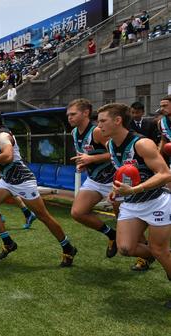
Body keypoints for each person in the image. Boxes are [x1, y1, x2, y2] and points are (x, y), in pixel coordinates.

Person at [0, 110, 78, 266]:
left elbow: (8, 156)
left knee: (43, 216)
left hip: (22, 180)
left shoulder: (1, 136)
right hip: (8, 179)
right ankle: (8, 243)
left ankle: (68, 247)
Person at [98, 103, 171, 308]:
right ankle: (164, 256)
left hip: (156, 201)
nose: (99, 125)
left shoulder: (142, 144)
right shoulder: (110, 144)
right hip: (131, 203)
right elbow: (125, 172)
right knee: (125, 248)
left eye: (103, 120)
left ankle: (164, 257)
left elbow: (165, 174)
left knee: (158, 249)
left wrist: (134, 191)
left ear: (118, 120)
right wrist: (116, 189)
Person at [66, 99, 118, 258]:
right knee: (77, 212)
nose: (70, 117)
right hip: (95, 180)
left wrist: (92, 160)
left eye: (73, 114)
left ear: (86, 113)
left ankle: (144, 253)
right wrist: (84, 163)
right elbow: (87, 154)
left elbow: (117, 153)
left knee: (125, 221)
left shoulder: (96, 131)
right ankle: (111, 235)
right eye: (68, 115)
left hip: (114, 180)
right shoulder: (75, 132)